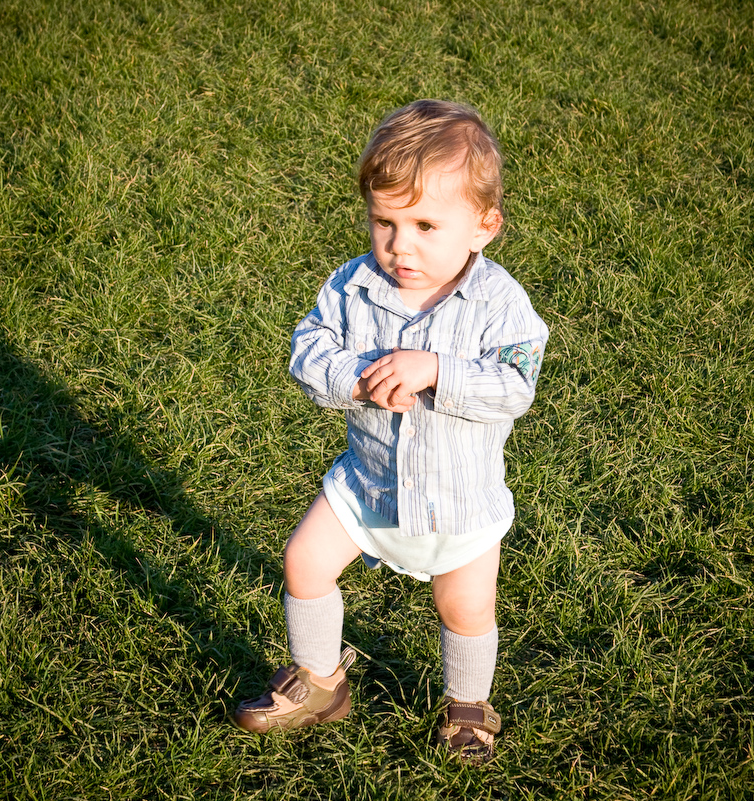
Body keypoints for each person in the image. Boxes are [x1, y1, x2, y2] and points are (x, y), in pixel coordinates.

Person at [232, 99, 549, 763]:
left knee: (463, 608)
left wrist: (437, 369)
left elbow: (515, 385)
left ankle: (467, 705)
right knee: (303, 562)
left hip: (458, 498)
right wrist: (351, 375)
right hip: (367, 483)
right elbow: (307, 346)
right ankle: (320, 682)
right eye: (384, 222)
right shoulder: (354, 285)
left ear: (482, 226)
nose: (399, 244)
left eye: (425, 224)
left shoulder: (498, 306)